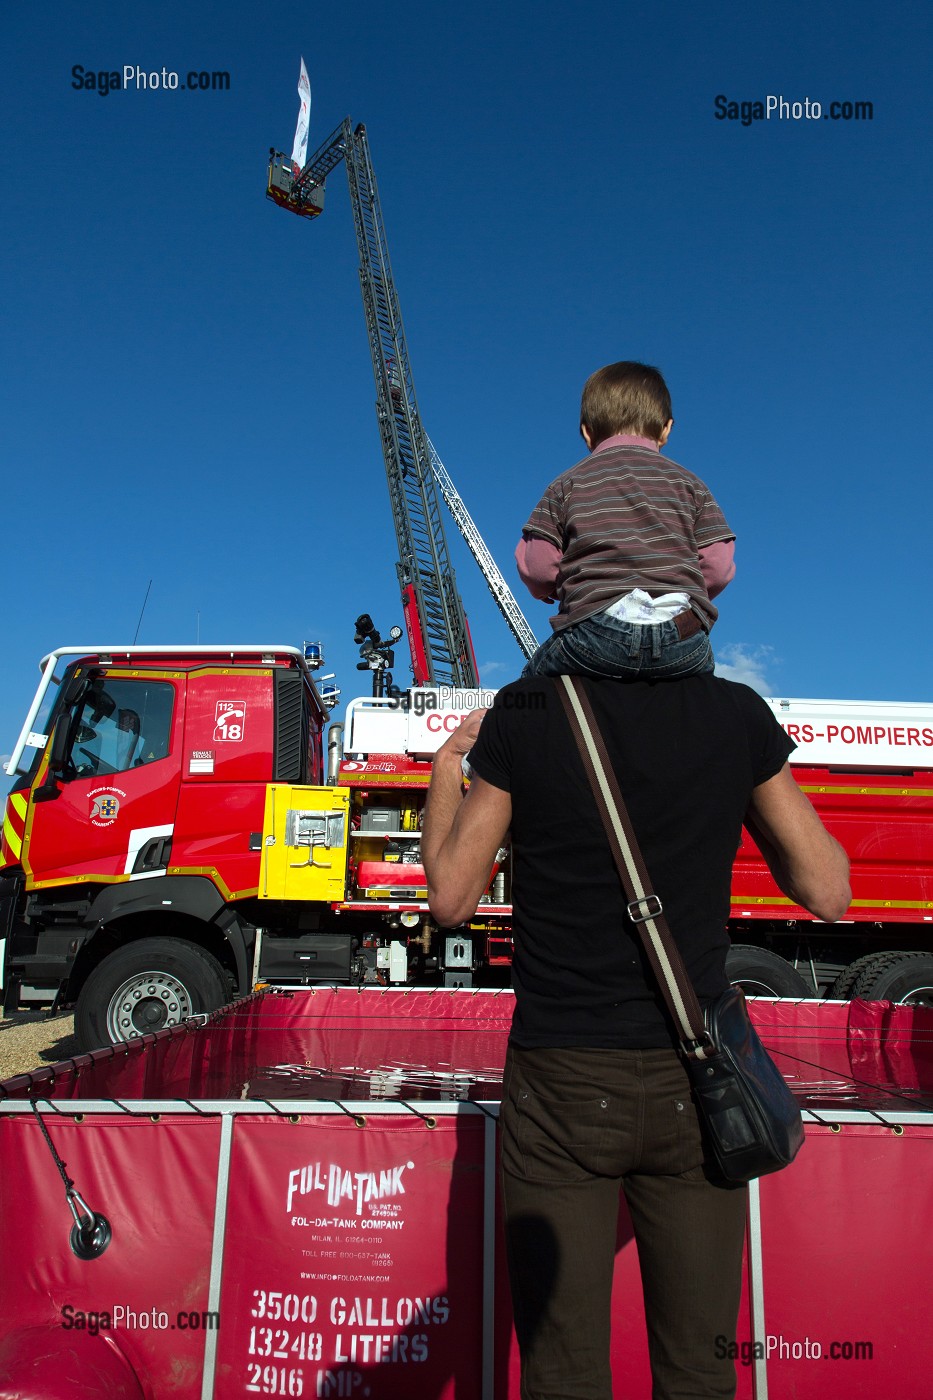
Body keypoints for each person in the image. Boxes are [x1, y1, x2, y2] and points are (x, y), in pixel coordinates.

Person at [422, 674, 850, 1400]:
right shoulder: (733, 712)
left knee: (561, 1373)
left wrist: (444, 771)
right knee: (699, 1368)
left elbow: (451, 899)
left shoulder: (528, 708)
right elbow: (827, 891)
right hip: (697, 1082)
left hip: (560, 1077)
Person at [517, 361, 736, 679]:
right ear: (666, 429)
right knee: (702, 690)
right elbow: (718, 567)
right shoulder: (693, 486)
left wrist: (547, 587)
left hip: (593, 629)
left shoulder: (566, 484)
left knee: (530, 687)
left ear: (587, 432)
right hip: (683, 634)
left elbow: (537, 565)